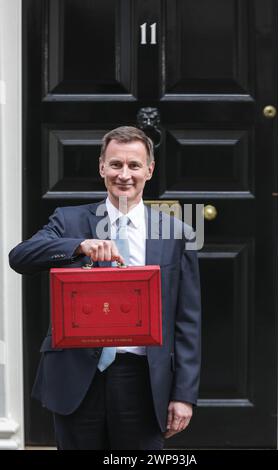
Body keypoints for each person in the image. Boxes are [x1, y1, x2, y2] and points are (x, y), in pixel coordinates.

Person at [9, 126, 201, 450]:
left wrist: (183, 395)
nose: (124, 174)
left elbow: (188, 320)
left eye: (134, 165)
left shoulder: (175, 231)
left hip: (143, 380)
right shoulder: (68, 221)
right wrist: (79, 245)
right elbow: (20, 257)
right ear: (101, 167)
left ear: (149, 170)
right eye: (115, 164)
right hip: (77, 376)